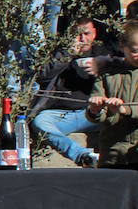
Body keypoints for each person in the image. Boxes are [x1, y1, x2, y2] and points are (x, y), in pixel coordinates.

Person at [32, 18, 117, 167]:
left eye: (86, 33)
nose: (82, 39)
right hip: (61, 113)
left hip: (93, 113)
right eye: (78, 34)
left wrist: (101, 67)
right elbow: (44, 74)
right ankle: (82, 155)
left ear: (94, 34)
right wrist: (68, 54)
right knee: (40, 122)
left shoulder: (103, 53)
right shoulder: (61, 52)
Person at [86, 21, 138, 168]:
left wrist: (124, 110)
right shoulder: (107, 75)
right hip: (112, 154)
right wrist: (95, 110)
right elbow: (98, 117)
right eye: (135, 51)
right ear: (123, 47)